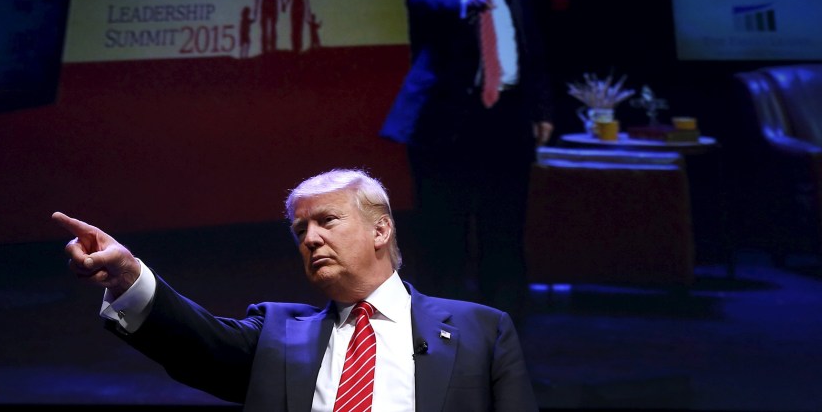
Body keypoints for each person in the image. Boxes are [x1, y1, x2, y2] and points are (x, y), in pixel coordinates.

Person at [53, 168, 539, 411]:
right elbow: (192, 338)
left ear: (380, 230)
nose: (309, 238)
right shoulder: (277, 333)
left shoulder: (482, 328)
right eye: (299, 229)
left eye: (327, 221)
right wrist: (128, 274)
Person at [379, 0, 554, 317]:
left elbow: (532, 48)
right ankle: (443, 324)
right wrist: (467, 3)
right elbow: (432, 5)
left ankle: (506, 321)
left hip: (506, 119)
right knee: (444, 231)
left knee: (505, 228)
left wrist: (542, 108)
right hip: (448, 124)